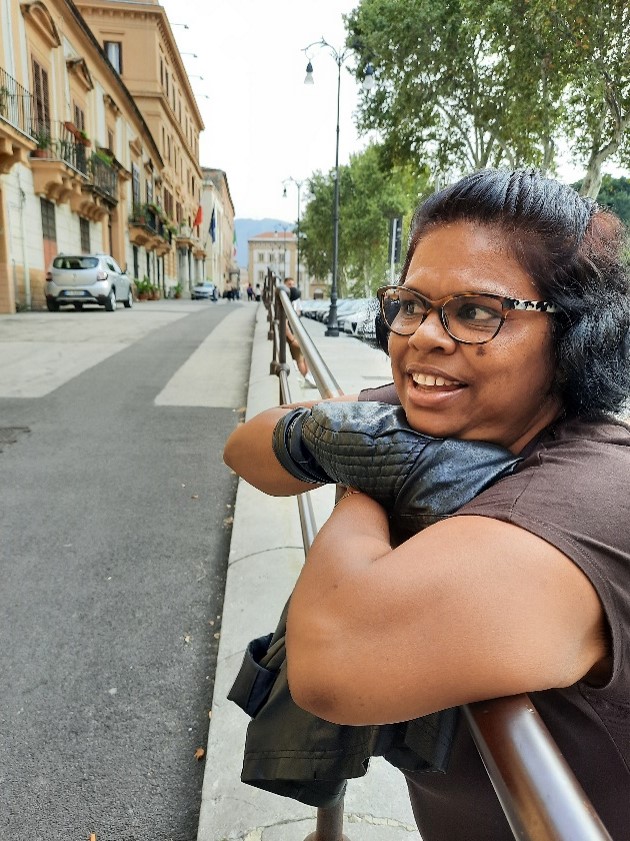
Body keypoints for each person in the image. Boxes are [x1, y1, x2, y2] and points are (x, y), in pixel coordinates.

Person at [223, 168, 630, 840]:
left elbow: (333, 660)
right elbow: (246, 447)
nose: (424, 336)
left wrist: (373, 465)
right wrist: (367, 449)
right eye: (411, 304)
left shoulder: (593, 494)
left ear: (573, 335)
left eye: (476, 312)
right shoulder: (445, 412)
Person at [283, 277, 317, 388]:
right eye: (289, 284)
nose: (292, 286)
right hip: (291, 336)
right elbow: (284, 323)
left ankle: (307, 376)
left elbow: (298, 312)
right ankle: (306, 377)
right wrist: (292, 339)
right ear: (285, 285)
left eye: (293, 284)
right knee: (300, 357)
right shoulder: (285, 301)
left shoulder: (291, 300)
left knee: (304, 355)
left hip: (295, 334)